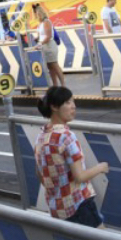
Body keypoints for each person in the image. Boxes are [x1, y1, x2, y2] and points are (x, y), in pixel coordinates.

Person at [33, 86, 108, 227]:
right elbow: (79, 177)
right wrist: (100, 167)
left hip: (57, 208)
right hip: (79, 204)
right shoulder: (67, 137)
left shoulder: (41, 137)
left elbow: (39, 174)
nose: (74, 106)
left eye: (73, 102)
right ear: (54, 106)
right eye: (68, 102)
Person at [34, 4, 64, 88]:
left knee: (54, 65)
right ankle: (55, 85)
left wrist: (40, 43)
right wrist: (37, 39)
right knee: (50, 67)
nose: (35, 16)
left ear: (39, 13)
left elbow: (48, 36)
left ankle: (63, 85)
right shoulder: (40, 24)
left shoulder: (46, 22)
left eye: (36, 14)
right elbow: (41, 36)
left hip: (49, 46)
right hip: (44, 47)